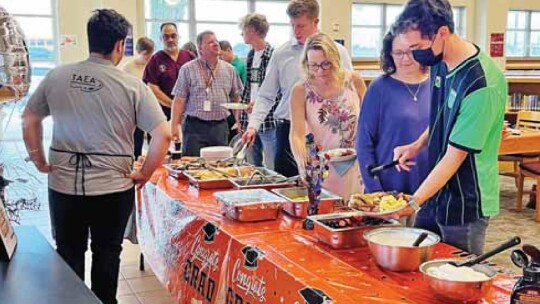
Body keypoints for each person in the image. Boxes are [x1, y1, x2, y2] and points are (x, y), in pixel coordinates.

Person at [22, 9, 171, 304]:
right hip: (113, 189)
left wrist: (39, 159)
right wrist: (145, 173)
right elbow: (163, 135)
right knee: (107, 253)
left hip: (64, 186)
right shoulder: (132, 85)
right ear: (119, 45)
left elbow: (29, 119)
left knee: (68, 251)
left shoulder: (57, 76)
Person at [391, 0, 508, 255]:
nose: (412, 55)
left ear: (442, 33)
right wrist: (416, 145)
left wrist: (413, 201)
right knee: (419, 262)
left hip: (466, 199)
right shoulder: (439, 62)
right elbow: (442, 120)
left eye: (417, 47)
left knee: (457, 275)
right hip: (436, 191)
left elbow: (455, 157)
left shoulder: (481, 85)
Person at [242, 0, 355, 177]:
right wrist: (253, 126)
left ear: (316, 22)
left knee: (328, 190)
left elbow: (349, 93)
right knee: (288, 190)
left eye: (301, 26)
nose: (296, 31)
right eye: (293, 25)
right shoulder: (281, 54)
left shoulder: (338, 52)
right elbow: (266, 95)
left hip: (327, 132)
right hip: (288, 131)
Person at [290, 33, 365, 199]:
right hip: (321, 167)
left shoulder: (354, 81)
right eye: (313, 66)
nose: (320, 71)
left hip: (355, 166)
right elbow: (296, 134)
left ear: (335, 60)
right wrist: (302, 165)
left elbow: (369, 123)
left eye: (325, 64)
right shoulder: (301, 90)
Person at [356, 27, 430, 195]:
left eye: (412, 52)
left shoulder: (437, 84)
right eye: (398, 53)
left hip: (431, 187)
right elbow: (363, 143)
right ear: (389, 55)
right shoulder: (379, 88)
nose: (406, 59)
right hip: (389, 189)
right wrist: (375, 189)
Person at [170, 31, 244, 156]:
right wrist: (174, 127)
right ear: (200, 49)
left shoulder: (229, 69)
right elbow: (179, 100)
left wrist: (239, 121)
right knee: (192, 166)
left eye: (216, 41)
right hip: (194, 127)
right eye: (210, 42)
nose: (216, 44)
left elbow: (236, 97)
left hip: (220, 127)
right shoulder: (187, 69)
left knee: (220, 166)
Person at [238, 13, 279, 169]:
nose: (242, 34)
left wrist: (257, 105)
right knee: (251, 166)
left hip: (268, 121)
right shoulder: (250, 55)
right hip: (250, 120)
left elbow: (276, 91)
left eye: (244, 30)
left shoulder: (272, 55)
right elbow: (248, 87)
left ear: (252, 30)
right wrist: (242, 114)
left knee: (271, 166)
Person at [143, 22, 194, 120]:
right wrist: (175, 106)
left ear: (178, 37)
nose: (170, 39)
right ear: (161, 38)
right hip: (165, 113)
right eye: (166, 36)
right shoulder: (155, 60)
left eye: (173, 36)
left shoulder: (189, 57)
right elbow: (153, 89)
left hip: (189, 112)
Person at [121, 36, 155, 159]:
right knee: (137, 139)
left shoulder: (152, 65)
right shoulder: (128, 67)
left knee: (154, 138)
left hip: (150, 106)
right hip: (134, 108)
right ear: (139, 52)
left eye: (151, 54)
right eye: (146, 54)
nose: (149, 58)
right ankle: (136, 160)